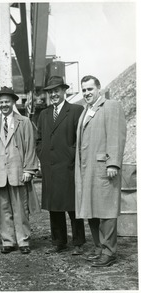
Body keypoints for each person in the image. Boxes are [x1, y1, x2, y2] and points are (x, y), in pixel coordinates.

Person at [75, 75, 127, 267]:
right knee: (92, 210)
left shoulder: (110, 106)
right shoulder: (86, 111)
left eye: (90, 89)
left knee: (106, 211)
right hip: (87, 170)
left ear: (99, 88)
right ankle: (99, 247)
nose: (87, 93)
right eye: (84, 90)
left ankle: (109, 252)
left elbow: (117, 135)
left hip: (103, 168)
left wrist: (113, 163)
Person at [0, 86, 39, 254]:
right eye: (1, 102)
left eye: (7, 101)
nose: (4, 105)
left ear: (14, 102)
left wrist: (29, 169)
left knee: (21, 208)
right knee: (3, 209)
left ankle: (23, 241)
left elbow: (30, 147)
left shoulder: (24, 122)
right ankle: (8, 240)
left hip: (18, 172)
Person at [36, 76, 86, 255]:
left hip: (69, 167)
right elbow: (39, 139)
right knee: (54, 206)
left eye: (56, 90)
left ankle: (79, 242)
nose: (53, 94)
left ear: (64, 91)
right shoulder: (44, 114)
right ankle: (59, 241)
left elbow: (81, 138)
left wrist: (72, 155)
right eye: (50, 91)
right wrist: (42, 156)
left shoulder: (76, 110)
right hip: (50, 167)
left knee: (73, 207)